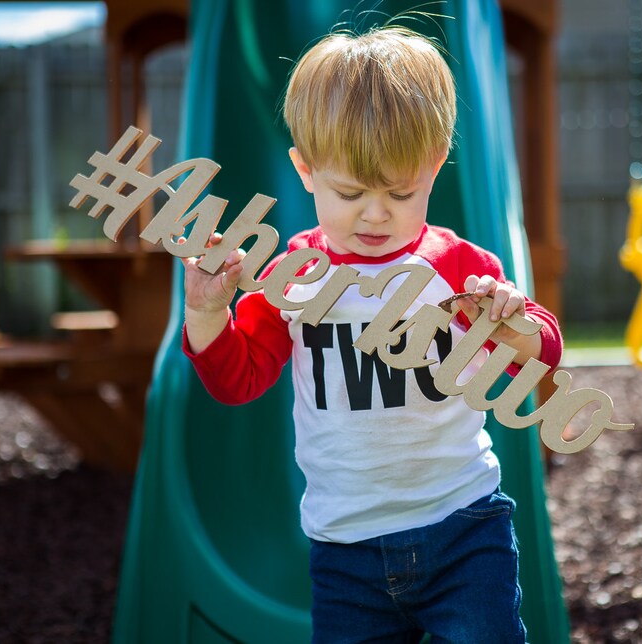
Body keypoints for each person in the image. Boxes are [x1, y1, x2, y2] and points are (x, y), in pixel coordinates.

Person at [182, 25, 562, 644]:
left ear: (434, 168)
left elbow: (540, 352)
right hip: (346, 548)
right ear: (305, 171)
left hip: (463, 527)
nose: (376, 213)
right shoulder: (294, 279)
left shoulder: (458, 268)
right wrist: (206, 316)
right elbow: (237, 380)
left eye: (400, 192)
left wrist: (513, 323)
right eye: (350, 192)